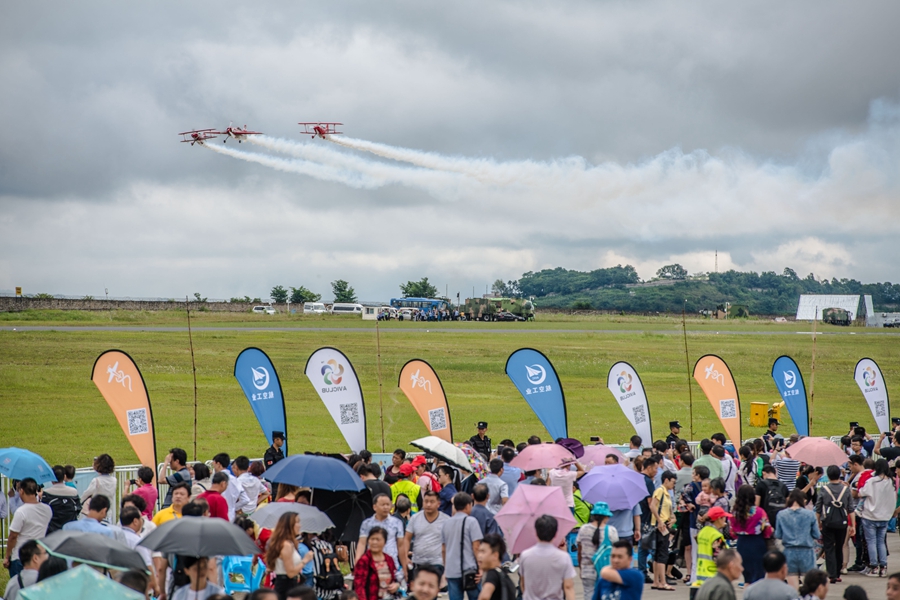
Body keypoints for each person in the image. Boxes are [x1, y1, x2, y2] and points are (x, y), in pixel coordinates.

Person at [518, 515, 575, 600]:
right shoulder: (563, 557)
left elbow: (523, 584)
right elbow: (568, 587)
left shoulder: (525, 555)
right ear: (556, 534)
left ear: (536, 532)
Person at [2, 478, 51, 577]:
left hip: (20, 556)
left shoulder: (21, 511)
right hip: (39, 554)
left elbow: (13, 536)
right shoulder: (47, 509)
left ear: (22, 490)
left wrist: (7, 556)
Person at [442, 492, 484, 600]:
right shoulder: (471, 522)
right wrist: (480, 567)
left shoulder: (446, 523)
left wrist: (446, 568)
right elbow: (476, 547)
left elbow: (443, 549)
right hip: (469, 569)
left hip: (452, 570)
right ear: (468, 505)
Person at [775, 488, 820, 588]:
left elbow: (778, 534)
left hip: (789, 552)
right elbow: (817, 534)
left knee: (793, 587)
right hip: (807, 552)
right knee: (809, 586)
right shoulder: (810, 514)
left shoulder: (781, 514)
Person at [858, 457, 895, 576]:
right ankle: (883, 567)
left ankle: (874, 566)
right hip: (884, 516)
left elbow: (861, 493)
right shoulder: (891, 482)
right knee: (881, 542)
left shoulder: (872, 481)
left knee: (871, 542)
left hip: (870, 515)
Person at [815, 465, 852, 583]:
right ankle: (837, 572)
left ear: (828, 476)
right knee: (839, 546)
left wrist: (818, 522)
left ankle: (831, 574)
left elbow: (818, 508)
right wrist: (854, 526)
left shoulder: (824, 489)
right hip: (842, 522)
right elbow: (851, 509)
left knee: (829, 546)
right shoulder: (846, 489)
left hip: (828, 522)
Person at [728, 484, 770, 584]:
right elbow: (767, 531)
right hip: (757, 544)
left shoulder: (734, 513)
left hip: (742, 545)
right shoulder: (759, 512)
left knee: (747, 579)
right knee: (758, 577)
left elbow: (732, 533)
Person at [358, 494, 408, 576]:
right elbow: (362, 544)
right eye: (382, 505)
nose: (385, 507)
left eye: (388, 504)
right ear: (374, 507)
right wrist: (358, 563)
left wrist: (404, 566)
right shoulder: (367, 523)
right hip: (372, 565)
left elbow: (401, 546)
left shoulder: (397, 523)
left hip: (392, 564)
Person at [268, 512, 314, 600]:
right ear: (290, 525)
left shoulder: (287, 543)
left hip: (286, 583)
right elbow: (290, 573)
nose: (300, 525)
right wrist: (305, 560)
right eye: (297, 522)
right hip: (286, 585)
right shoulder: (286, 545)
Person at [576, 502, 617, 600]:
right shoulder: (611, 531)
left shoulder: (583, 529)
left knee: (588, 596)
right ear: (606, 517)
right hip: (606, 571)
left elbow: (579, 551)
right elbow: (615, 553)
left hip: (587, 571)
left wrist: (581, 568)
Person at [405, 491, 450, 578]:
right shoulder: (415, 518)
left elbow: (451, 542)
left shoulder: (446, 520)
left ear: (438, 504)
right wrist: (405, 556)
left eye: (432, 502)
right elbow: (407, 539)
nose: (428, 504)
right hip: (418, 562)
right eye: (426, 501)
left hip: (438, 563)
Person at [648, 470, 676, 590]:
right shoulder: (660, 491)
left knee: (658, 554)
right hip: (661, 525)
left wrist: (672, 518)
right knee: (662, 554)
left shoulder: (666, 493)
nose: (673, 485)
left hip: (664, 523)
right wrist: (659, 521)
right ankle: (662, 581)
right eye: (672, 482)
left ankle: (656, 581)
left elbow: (668, 510)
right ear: (666, 480)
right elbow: (652, 505)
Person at [354, 526, 399, 600]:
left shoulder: (389, 559)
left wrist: (395, 585)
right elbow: (359, 586)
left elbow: (394, 579)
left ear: (385, 542)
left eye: (378, 539)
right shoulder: (364, 561)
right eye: (372, 539)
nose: (374, 542)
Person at [693, 506, 730, 589]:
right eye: (724, 517)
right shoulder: (716, 536)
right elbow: (719, 558)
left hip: (700, 575)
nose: (725, 520)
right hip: (712, 576)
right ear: (719, 519)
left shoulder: (702, 532)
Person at [41, 464, 81, 532]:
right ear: (64, 476)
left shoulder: (46, 493)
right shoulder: (74, 492)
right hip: (69, 530)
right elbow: (78, 509)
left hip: (52, 531)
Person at [476, 534, 516, 600]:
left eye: (483, 552)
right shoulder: (504, 575)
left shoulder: (492, 574)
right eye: (479, 552)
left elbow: (484, 597)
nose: (479, 556)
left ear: (495, 555)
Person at [212, 453, 250, 521]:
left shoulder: (215, 480)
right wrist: (232, 507)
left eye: (214, 465)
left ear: (218, 464)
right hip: (231, 516)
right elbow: (245, 500)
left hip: (218, 516)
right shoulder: (235, 480)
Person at [81, 453, 118, 522]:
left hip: (96, 512)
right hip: (108, 511)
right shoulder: (114, 480)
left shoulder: (96, 481)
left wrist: (80, 501)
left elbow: (87, 493)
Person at [755, 464, 789, 532]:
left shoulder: (761, 484)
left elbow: (756, 505)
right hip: (780, 519)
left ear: (764, 473)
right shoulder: (783, 486)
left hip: (766, 520)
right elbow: (788, 505)